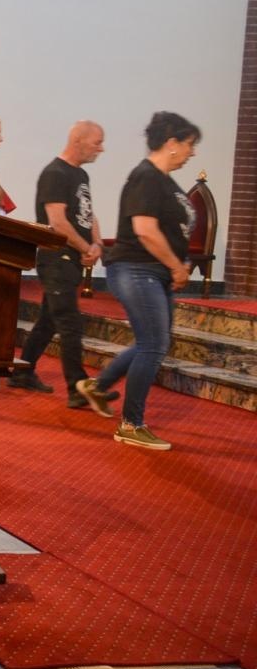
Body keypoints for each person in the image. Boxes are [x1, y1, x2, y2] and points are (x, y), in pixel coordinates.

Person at [77, 111, 202, 451]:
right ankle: (131, 424)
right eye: (189, 145)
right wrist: (177, 266)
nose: (192, 153)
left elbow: (169, 230)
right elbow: (145, 231)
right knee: (154, 344)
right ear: (171, 143)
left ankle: (98, 386)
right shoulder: (146, 177)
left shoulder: (165, 181)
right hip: (137, 270)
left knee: (151, 341)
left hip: (156, 271)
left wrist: (180, 263)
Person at [8, 121, 114, 409]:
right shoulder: (54, 174)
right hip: (56, 258)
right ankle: (77, 388)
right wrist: (84, 247)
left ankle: (22, 371)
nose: (101, 149)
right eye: (97, 142)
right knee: (69, 322)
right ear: (78, 141)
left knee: (49, 320)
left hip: (72, 258)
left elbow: (87, 215)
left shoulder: (80, 174)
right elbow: (57, 223)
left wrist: (97, 244)